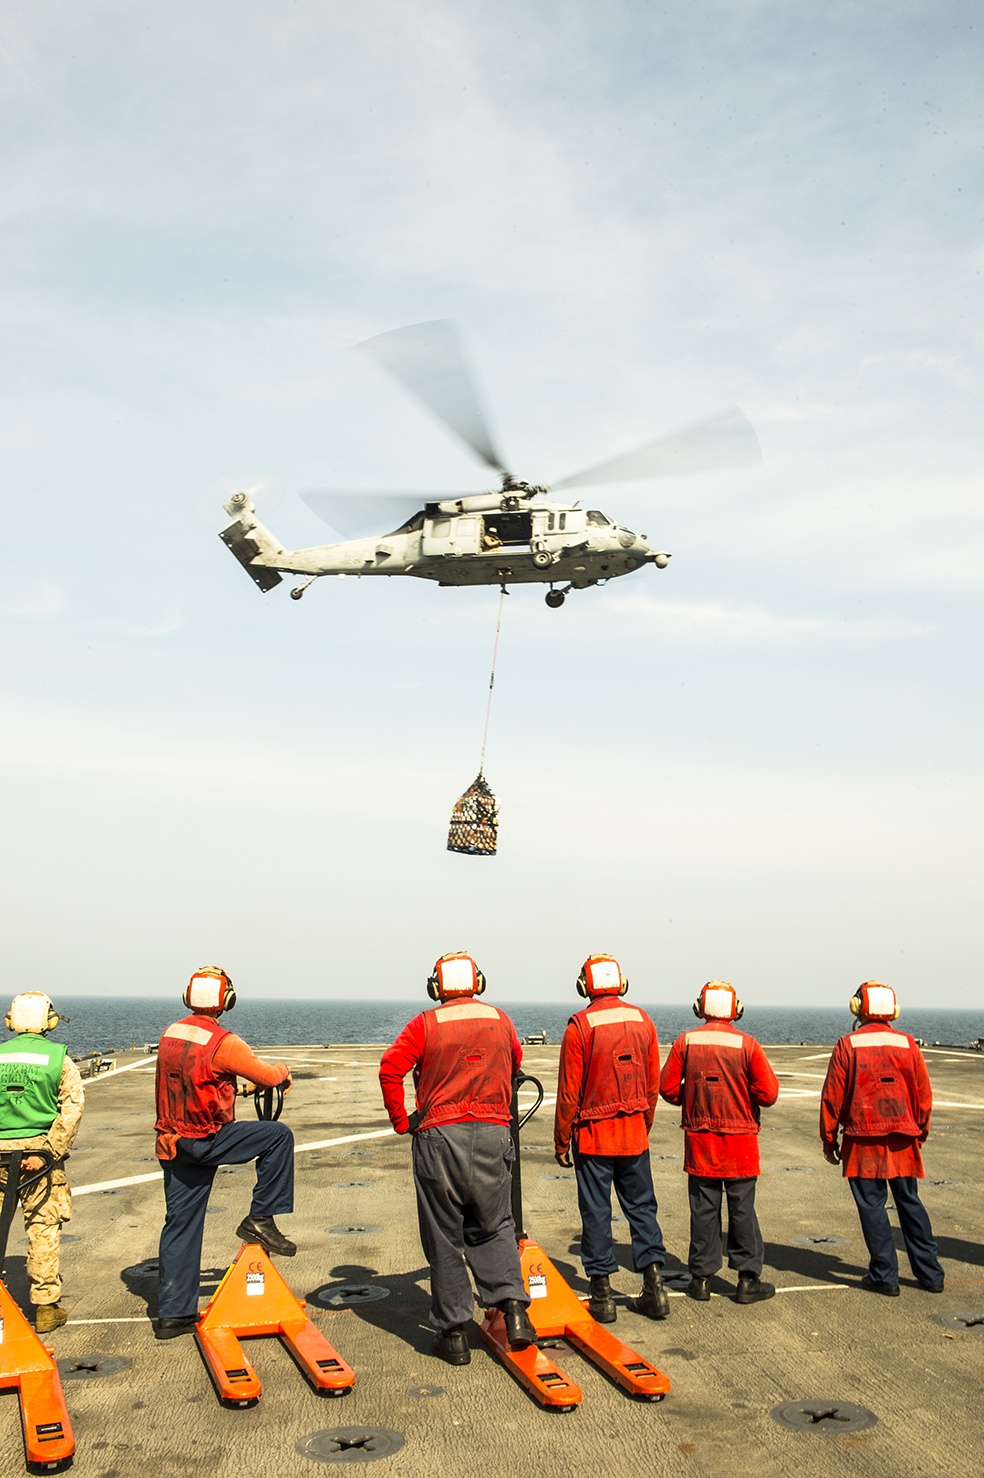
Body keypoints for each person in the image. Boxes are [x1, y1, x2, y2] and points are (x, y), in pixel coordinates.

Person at [378, 952, 535, 1365]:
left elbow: (390, 1068)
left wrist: (402, 1122)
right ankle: (514, 1312)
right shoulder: (500, 1020)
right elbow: (516, 1063)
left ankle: (453, 1334)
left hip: (439, 1138)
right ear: (477, 983)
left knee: (445, 1236)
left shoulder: (425, 1024)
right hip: (493, 1133)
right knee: (496, 1224)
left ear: (436, 988)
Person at [153, 966, 295, 1338]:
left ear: (188, 997)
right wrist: (282, 1072)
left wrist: (238, 1093)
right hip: (207, 1139)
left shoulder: (170, 1034)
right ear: (226, 1000)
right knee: (278, 1136)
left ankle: (173, 1314)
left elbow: (197, 1083)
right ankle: (261, 1217)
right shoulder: (224, 1041)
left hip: (172, 1142)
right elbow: (267, 1076)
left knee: (180, 1225)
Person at [554, 954, 668, 1323]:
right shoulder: (642, 1020)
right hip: (634, 1133)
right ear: (621, 983)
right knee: (642, 1209)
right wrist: (643, 1122)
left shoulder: (579, 1027)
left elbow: (569, 1093)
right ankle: (654, 1286)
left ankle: (601, 1295)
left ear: (584, 986)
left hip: (592, 1137)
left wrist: (560, 1139)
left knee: (596, 1212)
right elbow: (653, 1084)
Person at [819, 981, 944, 1296]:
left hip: (863, 1140)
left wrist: (828, 1139)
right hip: (904, 1137)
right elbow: (923, 1095)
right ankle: (930, 1274)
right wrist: (921, 1132)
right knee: (910, 1202)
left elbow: (832, 1097)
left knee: (872, 1207)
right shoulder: (907, 1044)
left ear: (857, 1008)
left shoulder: (848, 1045)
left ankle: (884, 1275)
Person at [659, 981, 779, 1304]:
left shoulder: (687, 1042)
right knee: (743, 1212)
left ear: (700, 1007)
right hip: (740, 1145)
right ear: (735, 1010)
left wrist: (697, 1098)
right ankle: (747, 1279)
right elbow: (768, 1093)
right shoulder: (748, 1045)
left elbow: (668, 1088)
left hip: (700, 1144)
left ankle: (700, 1280)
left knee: (703, 1212)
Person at [0, 991, 84, 1332]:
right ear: (48, 1021)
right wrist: (51, 1149)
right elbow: (72, 1107)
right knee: (43, 1228)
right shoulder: (59, 1059)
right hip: (40, 1157)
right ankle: (46, 1307)